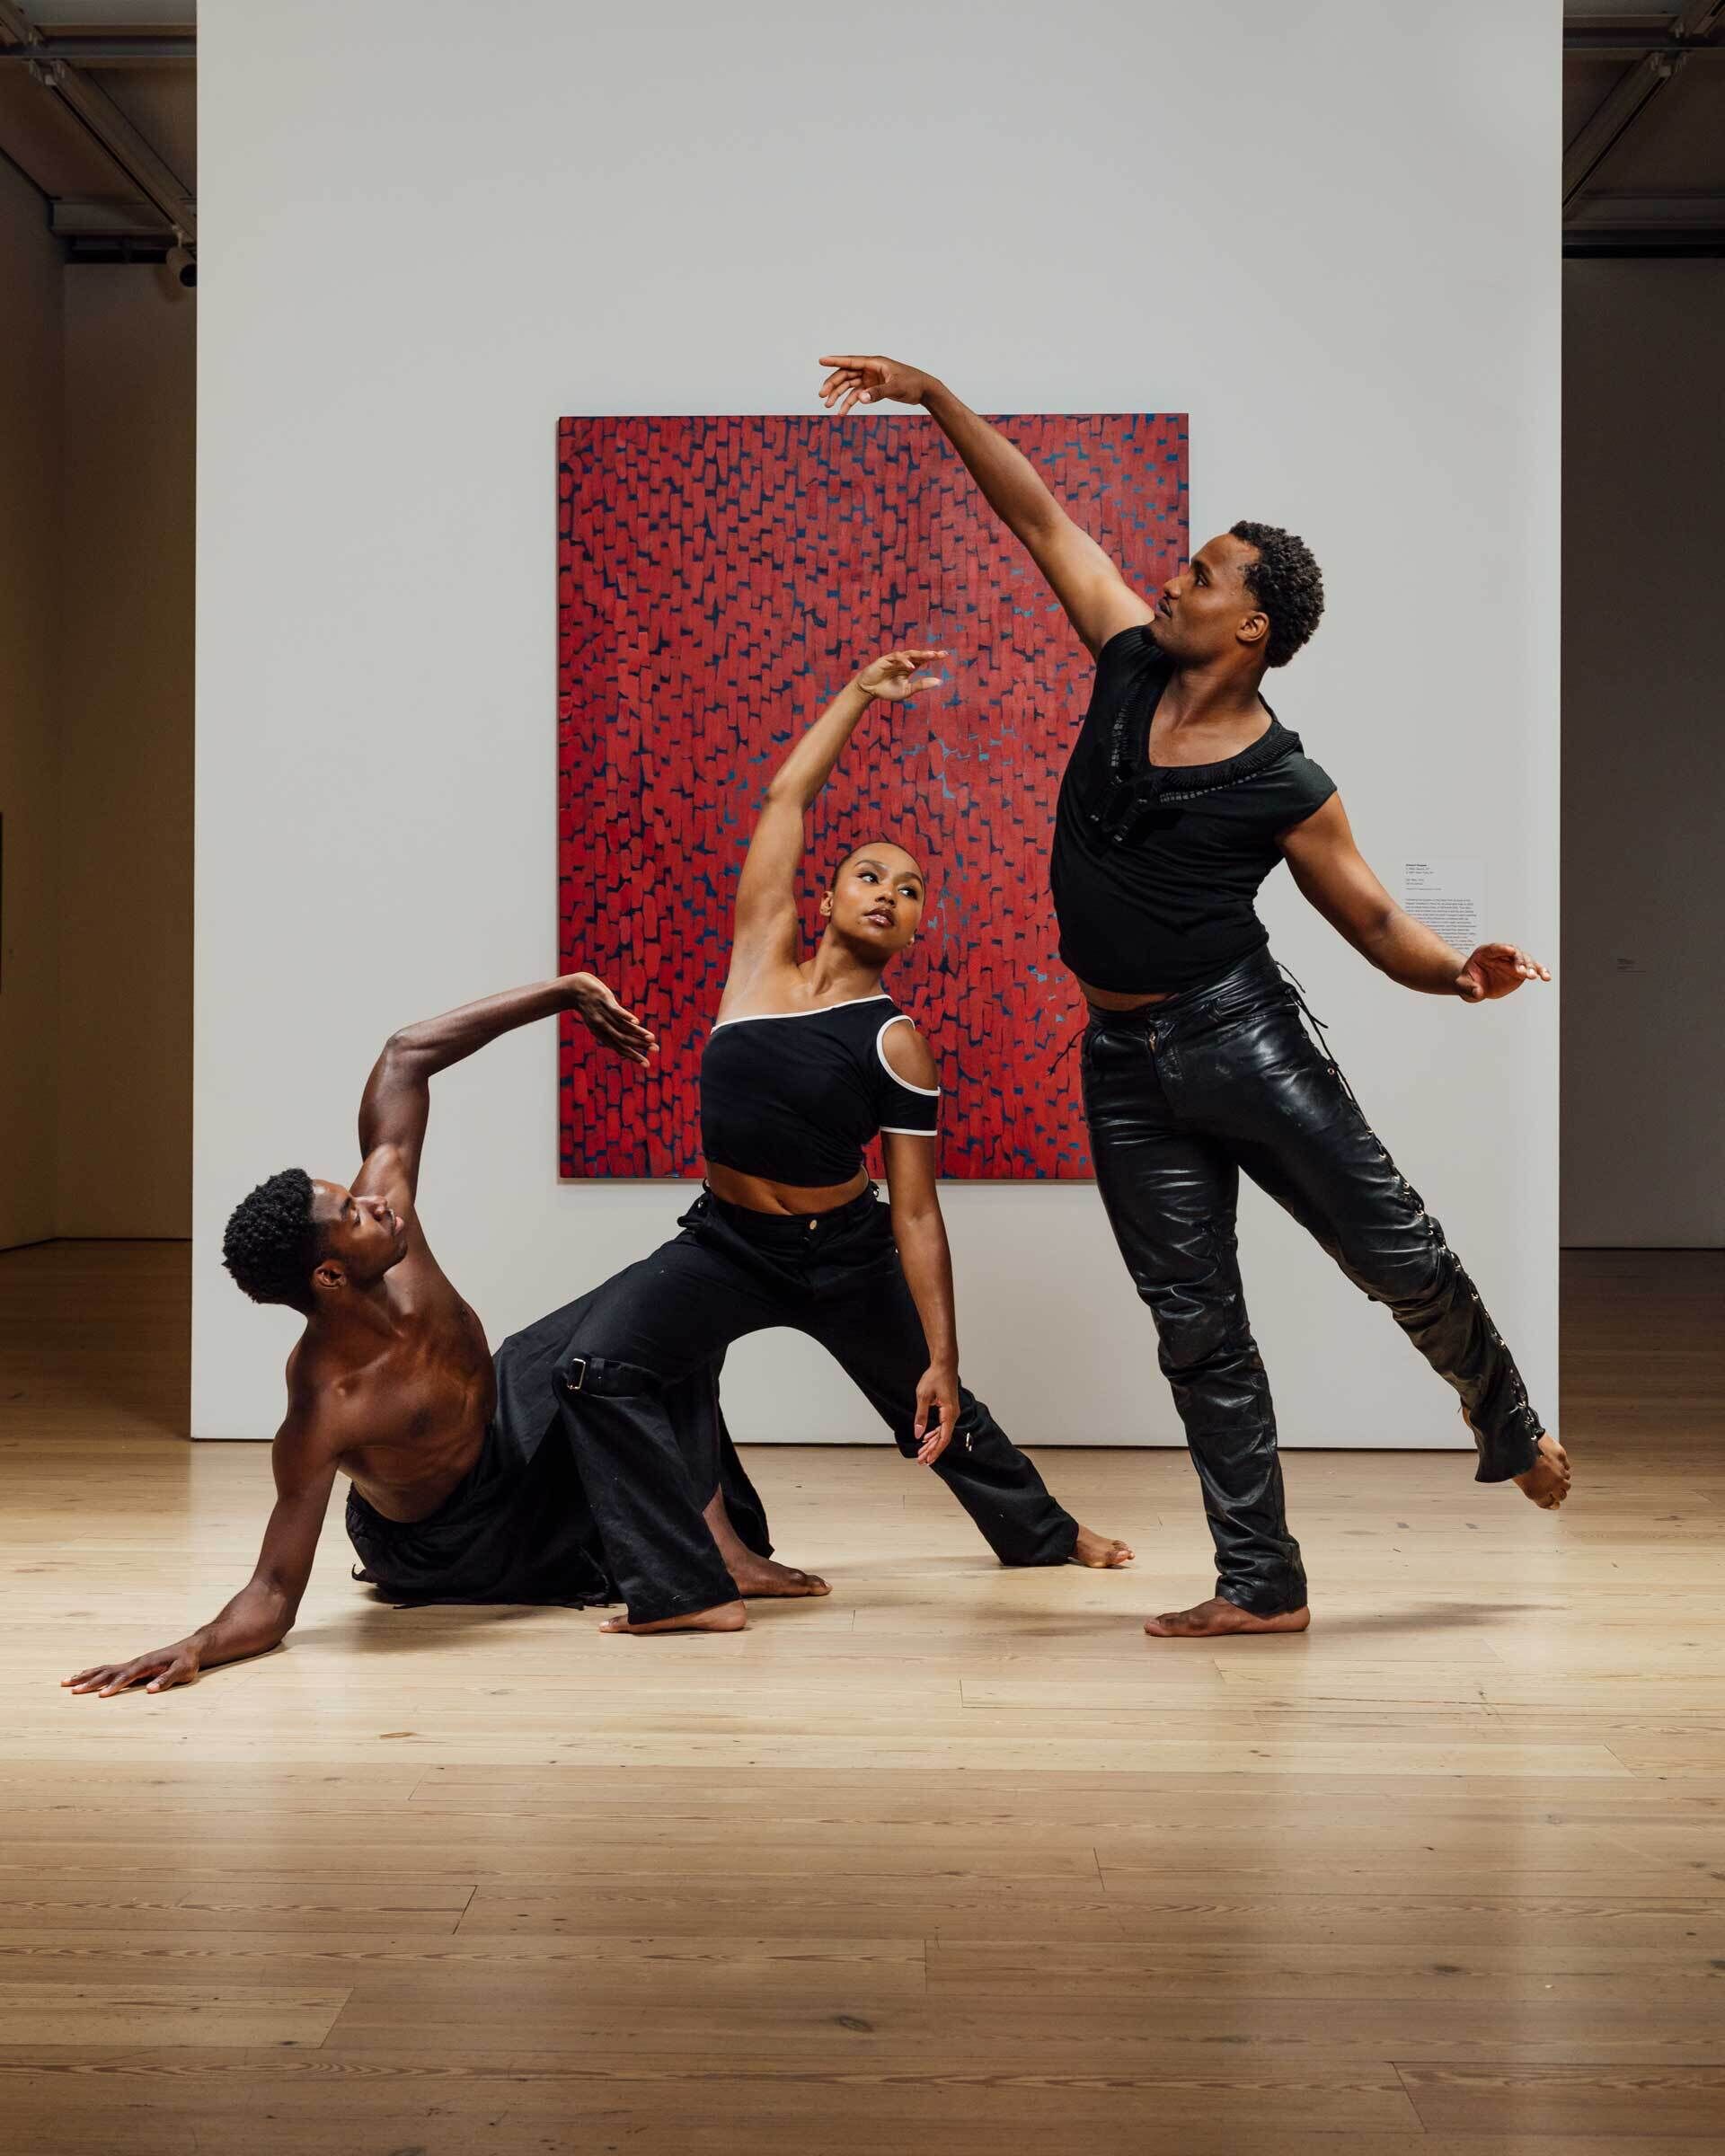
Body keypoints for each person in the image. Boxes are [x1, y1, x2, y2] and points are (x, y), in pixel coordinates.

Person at [814, 355, 1570, 1640]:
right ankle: (1262, 1585)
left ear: (1251, 627)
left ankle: (1504, 1416)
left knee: (1395, 1254)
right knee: (1195, 1326)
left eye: (1203, 574)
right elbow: (1041, 517)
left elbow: (1373, 919)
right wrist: (934, 398)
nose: (1172, 579)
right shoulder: (1125, 661)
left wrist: (1456, 972)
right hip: (1121, 1062)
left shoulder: (1288, 782)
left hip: (1244, 1042)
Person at [556, 648, 1134, 1635]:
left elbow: (917, 1211)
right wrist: (860, 696)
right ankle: (690, 1587)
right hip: (726, 1243)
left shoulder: (898, 1042)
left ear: (912, 930)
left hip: (842, 1255)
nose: (887, 893)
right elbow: (785, 797)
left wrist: (943, 1354)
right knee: (596, 1368)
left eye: (909, 891)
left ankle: (1045, 1532)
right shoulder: (756, 960)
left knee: (934, 1408)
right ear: (823, 900)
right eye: (869, 875)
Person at [61, 971, 807, 1699]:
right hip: (461, 1537)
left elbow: (406, 1055)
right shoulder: (330, 1403)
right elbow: (274, 1593)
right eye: (352, 1215)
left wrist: (565, 992)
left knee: (672, 1302)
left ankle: (721, 1550)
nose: (376, 1204)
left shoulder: (389, 1217)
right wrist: (197, 1645)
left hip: (500, 1421)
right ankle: (688, 1567)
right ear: (329, 1276)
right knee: (642, 1343)